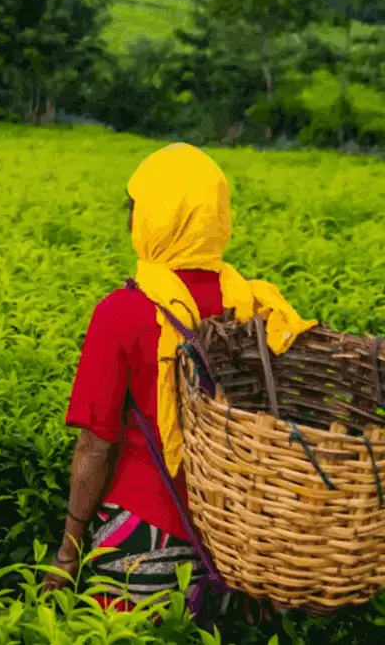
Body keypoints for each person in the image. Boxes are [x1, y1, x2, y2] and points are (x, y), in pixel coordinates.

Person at [45, 143, 314, 614]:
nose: (130, 221)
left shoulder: (123, 313)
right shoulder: (259, 308)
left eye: (136, 209)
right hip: (240, 539)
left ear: (153, 219)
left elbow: (94, 445)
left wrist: (68, 550)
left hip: (145, 531)